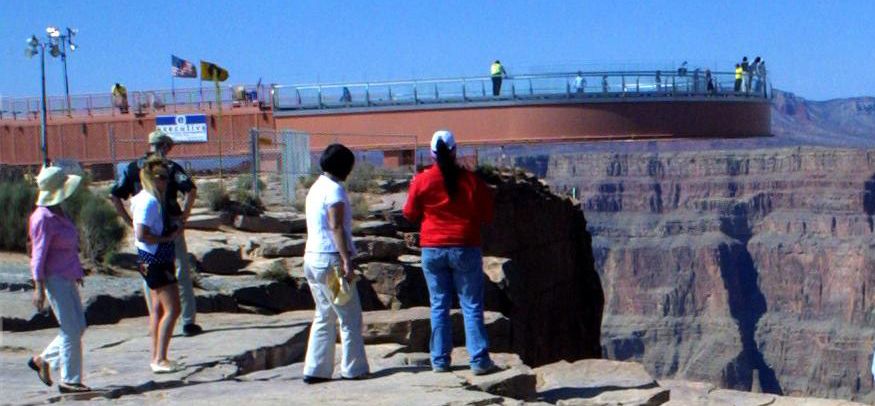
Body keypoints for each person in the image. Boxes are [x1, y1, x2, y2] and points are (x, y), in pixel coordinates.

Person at [403, 130, 499, 375]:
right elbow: (488, 215)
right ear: (455, 150)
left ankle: (440, 360)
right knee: (471, 305)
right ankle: (478, 360)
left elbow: (409, 213)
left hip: (432, 249)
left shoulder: (422, 181)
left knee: (439, 304)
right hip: (465, 247)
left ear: (432, 154)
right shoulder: (471, 181)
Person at [110, 130, 202, 337]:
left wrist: (129, 221)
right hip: (170, 227)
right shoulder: (169, 167)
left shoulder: (132, 168)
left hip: (146, 229)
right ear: (164, 146)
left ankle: (156, 319)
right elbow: (191, 190)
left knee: (149, 275)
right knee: (180, 272)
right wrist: (184, 217)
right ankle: (187, 321)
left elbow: (115, 195)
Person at [301, 144, 370, 384]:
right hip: (331, 260)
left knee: (324, 314)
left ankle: (316, 368)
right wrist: (346, 261)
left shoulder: (315, 188)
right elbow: (336, 226)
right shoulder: (335, 192)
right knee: (349, 316)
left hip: (311, 257)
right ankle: (353, 368)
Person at [27, 166, 91, 393]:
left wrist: (77, 270)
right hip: (54, 279)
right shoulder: (43, 218)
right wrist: (39, 287)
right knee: (70, 329)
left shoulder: (58, 212)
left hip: (68, 275)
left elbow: (66, 247)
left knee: (78, 326)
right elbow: (39, 253)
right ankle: (70, 379)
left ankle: (43, 361)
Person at [132, 155, 184, 373]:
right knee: (173, 309)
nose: (165, 182)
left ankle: (156, 356)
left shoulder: (144, 198)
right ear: (150, 179)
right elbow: (142, 234)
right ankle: (160, 358)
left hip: (149, 258)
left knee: (157, 309)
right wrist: (168, 238)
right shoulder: (150, 202)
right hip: (156, 260)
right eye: (161, 178)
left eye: (166, 177)